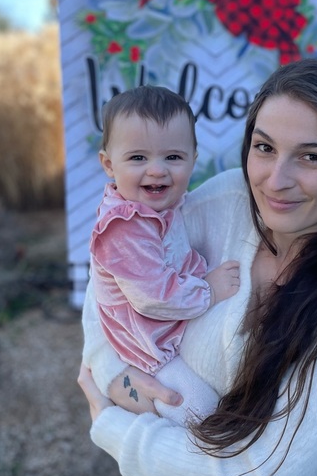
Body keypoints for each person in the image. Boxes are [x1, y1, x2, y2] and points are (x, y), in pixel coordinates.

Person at [79, 58, 317, 476]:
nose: (276, 180)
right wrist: (114, 375)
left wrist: (112, 423)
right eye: (264, 147)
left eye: (311, 157)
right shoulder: (227, 200)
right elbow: (112, 284)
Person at [87, 85, 240, 428]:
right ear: (109, 164)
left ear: (193, 160)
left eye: (172, 157)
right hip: (149, 348)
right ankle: (170, 438)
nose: (157, 170)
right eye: (138, 158)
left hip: (173, 326)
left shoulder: (163, 207)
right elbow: (153, 297)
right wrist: (209, 290)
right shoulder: (123, 227)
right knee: (197, 408)